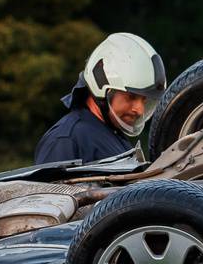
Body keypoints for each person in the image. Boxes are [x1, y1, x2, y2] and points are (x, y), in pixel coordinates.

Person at [34, 33, 166, 166]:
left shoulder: (114, 137)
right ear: (101, 84)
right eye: (131, 97)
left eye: (144, 101)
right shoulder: (65, 140)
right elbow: (52, 188)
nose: (139, 109)